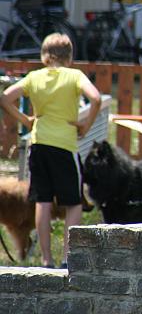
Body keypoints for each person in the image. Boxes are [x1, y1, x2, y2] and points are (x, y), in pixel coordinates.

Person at [0, 33, 101, 269]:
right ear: (70, 56)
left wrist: (26, 121)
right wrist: (85, 126)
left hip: (39, 144)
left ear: (44, 56)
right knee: (73, 203)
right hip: (65, 145)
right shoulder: (74, 75)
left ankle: (46, 260)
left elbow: (5, 99)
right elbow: (95, 98)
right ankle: (67, 257)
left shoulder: (34, 77)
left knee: (42, 201)